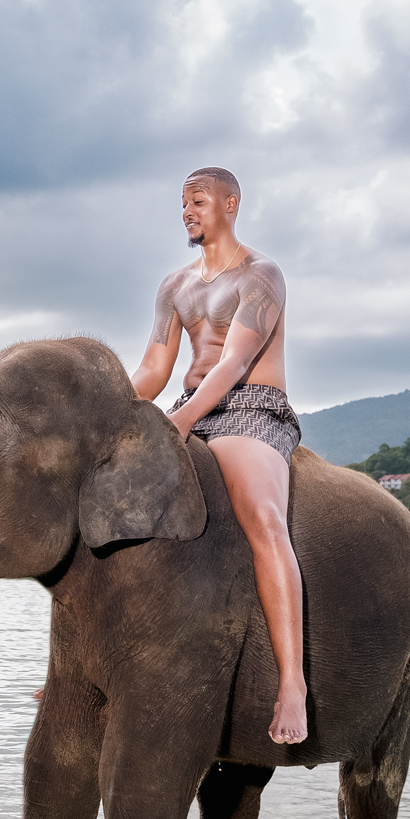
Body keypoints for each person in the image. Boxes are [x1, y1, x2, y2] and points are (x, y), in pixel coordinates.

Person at [127, 167, 309, 745]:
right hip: (188, 406)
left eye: (198, 201)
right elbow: (154, 372)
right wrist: (110, 416)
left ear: (231, 203)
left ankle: (292, 685)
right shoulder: (174, 286)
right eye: (182, 204)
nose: (187, 211)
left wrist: (180, 423)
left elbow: (232, 365)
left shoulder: (262, 276)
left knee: (262, 517)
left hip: (252, 408)